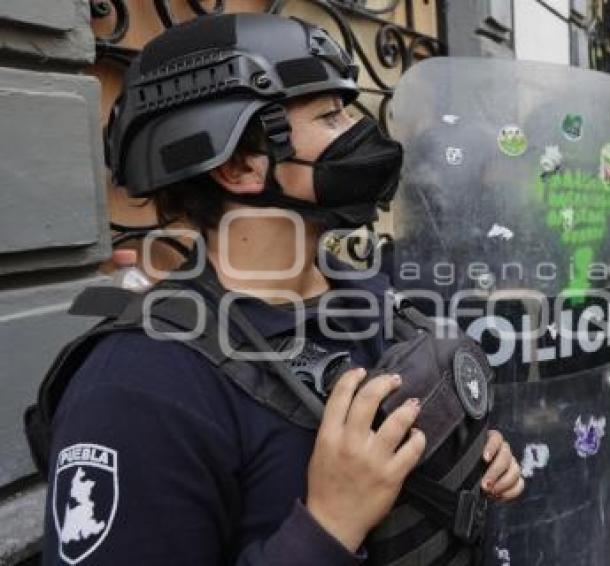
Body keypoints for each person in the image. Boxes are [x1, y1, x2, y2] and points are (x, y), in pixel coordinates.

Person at [41, 14, 523, 565]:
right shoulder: (140, 388)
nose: (359, 134)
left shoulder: (369, 299)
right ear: (243, 164)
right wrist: (328, 526)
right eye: (331, 116)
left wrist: (461, 465)